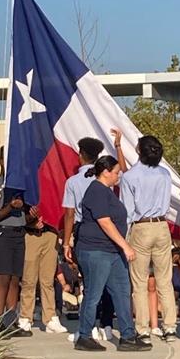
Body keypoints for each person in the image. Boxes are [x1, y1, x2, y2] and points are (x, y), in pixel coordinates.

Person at [73, 155, 151, 352]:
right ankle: (84, 335)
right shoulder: (96, 191)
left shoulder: (107, 192)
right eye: (116, 172)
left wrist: (120, 248)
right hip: (96, 250)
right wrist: (125, 245)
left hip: (112, 251)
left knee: (123, 292)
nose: (118, 175)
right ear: (105, 172)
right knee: (94, 293)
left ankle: (128, 335)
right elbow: (104, 222)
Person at [63, 133, 122, 341]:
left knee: (89, 281)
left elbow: (69, 213)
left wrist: (66, 241)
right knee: (107, 281)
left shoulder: (73, 181)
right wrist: (118, 146)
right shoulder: (106, 177)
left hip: (84, 231)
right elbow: (121, 173)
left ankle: (87, 326)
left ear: (80, 154)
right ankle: (106, 322)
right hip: (107, 231)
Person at [120, 135, 176, 343]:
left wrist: (125, 239)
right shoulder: (164, 174)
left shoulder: (130, 176)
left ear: (139, 151)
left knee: (140, 282)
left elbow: (127, 209)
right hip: (161, 225)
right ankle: (170, 326)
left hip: (141, 226)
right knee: (165, 280)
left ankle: (143, 329)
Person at [0, 146, 27, 334]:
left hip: (19, 233)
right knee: (2, 277)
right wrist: (10, 207)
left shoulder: (21, 185)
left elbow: (28, 211)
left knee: (14, 279)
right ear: (1, 161)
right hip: (3, 233)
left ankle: (11, 321)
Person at [17, 206, 68, 335]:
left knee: (48, 280)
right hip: (31, 234)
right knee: (29, 279)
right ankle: (25, 317)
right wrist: (31, 222)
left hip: (51, 233)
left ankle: (50, 317)